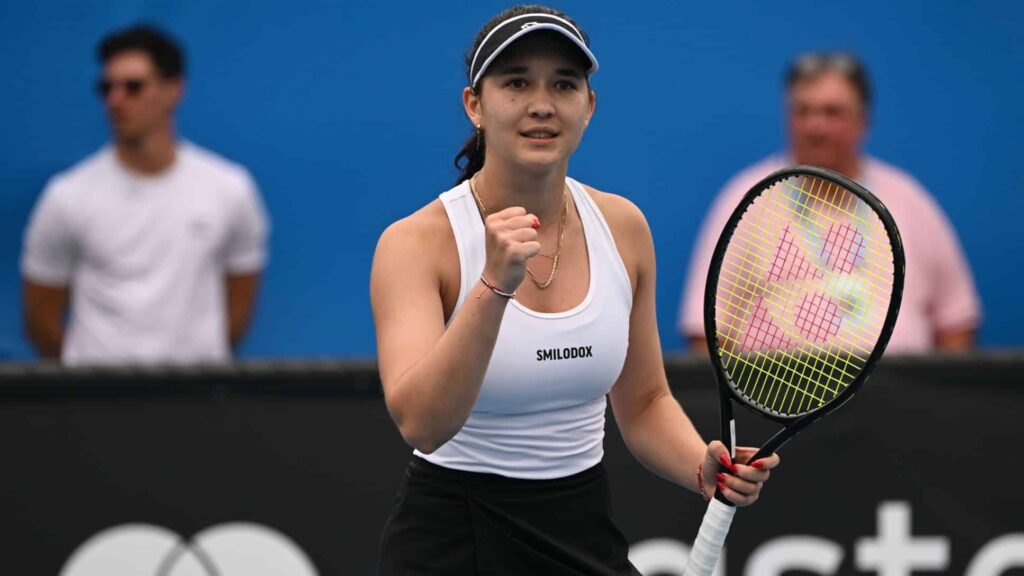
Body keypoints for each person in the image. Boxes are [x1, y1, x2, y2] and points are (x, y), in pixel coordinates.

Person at [370, 5, 779, 574]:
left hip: (582, 531)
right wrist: (494, 286)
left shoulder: (624, 227)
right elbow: (423, 425)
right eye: (517, 83)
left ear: (589, 107)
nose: (542, 104)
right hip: (451, 543)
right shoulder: (414, 244)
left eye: (564, 84)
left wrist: (699, 466)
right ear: (475, 105)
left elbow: (644, 402)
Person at [679, 52, 981, 353]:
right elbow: (706, 333)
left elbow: (957, 322)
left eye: (832, 112)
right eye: (802, 111)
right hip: (782, 385)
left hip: (902, 383)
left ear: (863, 121)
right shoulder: (748, 200)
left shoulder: (908, 200)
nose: (815, 127)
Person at [21, 25, 269, 364]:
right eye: (106, 88)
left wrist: (196, 368)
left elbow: (240, 303)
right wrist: (89, 379)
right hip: (98, 391)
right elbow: (40, 319)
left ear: (174, 89)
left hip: (198, 391)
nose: (115, 100)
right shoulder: (67, 195)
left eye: (133, 87)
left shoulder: (229, 189)